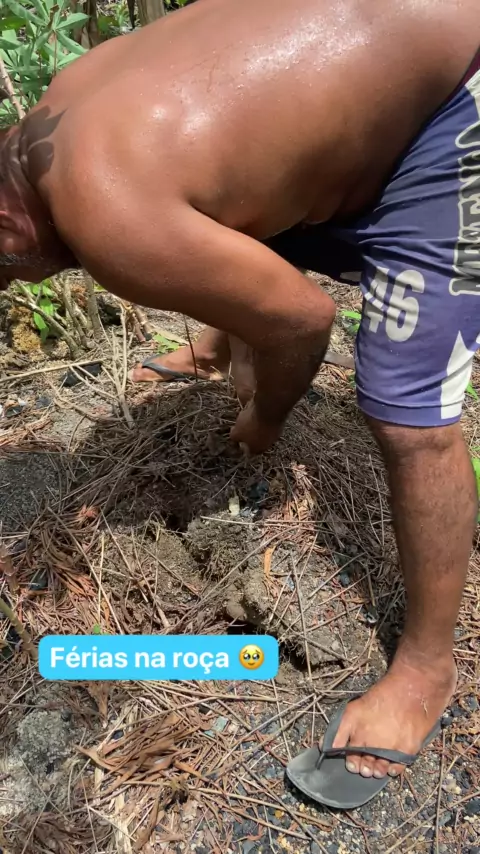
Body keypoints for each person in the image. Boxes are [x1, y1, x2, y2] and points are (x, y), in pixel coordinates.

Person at [0, 0, 478, 807]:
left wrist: (263, 421)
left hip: (461, 91)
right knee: (230, 203)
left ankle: (428, 668)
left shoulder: (104, 213)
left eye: (8, 274)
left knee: (406, 413)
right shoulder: (55, 109)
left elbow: (306, 322)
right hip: (397, 47)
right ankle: (222, 341)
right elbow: (225, 169)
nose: (22, 285)